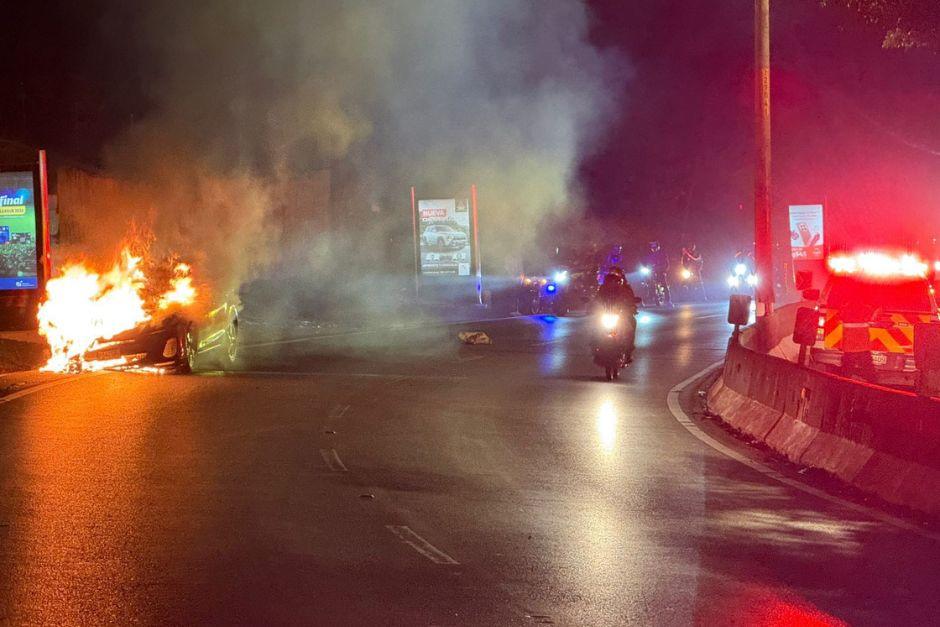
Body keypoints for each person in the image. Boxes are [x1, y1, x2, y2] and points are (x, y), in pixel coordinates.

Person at [594, 269, 638, 359]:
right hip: (606, 314)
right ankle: (596, 348)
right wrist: (592, 306)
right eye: (611, 280)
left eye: (615, 280)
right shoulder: (602, 289)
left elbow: (630, 299)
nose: (613, 282)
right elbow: (596, 299)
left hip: (621, 315)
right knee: (594, 328)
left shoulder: (625, 289)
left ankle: (629, 349)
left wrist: (631, 307)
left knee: (632, 323)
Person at [644, 241, 672, 305]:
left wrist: (664, 270)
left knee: (664, 284)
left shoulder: (662, 254)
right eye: (652, 248)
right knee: (649, 283)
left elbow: (666, 263)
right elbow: (647, 263)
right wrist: (646, 267)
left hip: (661, 271)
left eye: (655, 247)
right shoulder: (650, 256)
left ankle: (668, 300)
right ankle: (650, 297)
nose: (653, 249)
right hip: (653, 272)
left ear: (658, 247)